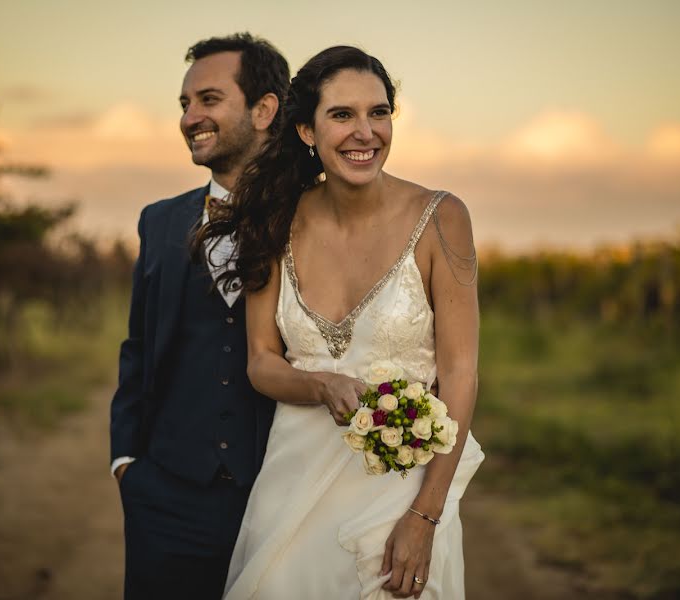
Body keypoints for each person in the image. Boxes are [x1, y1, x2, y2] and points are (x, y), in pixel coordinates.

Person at [198, 46, 485, 599]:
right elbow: (261, 361)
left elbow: (461, 374)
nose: (366, 132)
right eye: (342, 115)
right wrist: (319, 383)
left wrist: (425, 517)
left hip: (400, 493)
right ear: (306, 130)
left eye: (379, 113)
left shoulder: (442, 218)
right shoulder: (274, 220)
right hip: (293, 486)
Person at [109, 33, 289, 600]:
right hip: (167, 495)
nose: (190, 117)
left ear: (264, 110)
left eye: (208, 100)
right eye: (184, 105)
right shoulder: (158, 222)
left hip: (283, 495)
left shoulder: (316, 219)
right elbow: (138, 346)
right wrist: (126, 464)